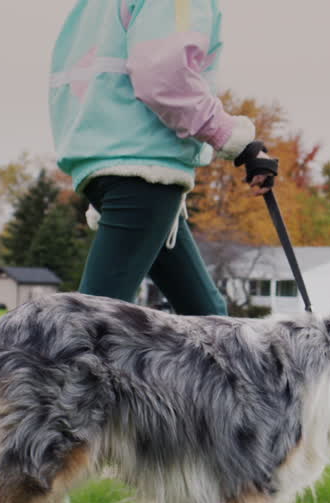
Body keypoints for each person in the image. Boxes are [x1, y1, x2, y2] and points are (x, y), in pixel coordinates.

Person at [49, 0, 273, 316]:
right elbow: (166, 78)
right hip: (144, 172)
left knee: (208, 317)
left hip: (119, 165)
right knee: (89, 326)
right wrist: (232, 138)